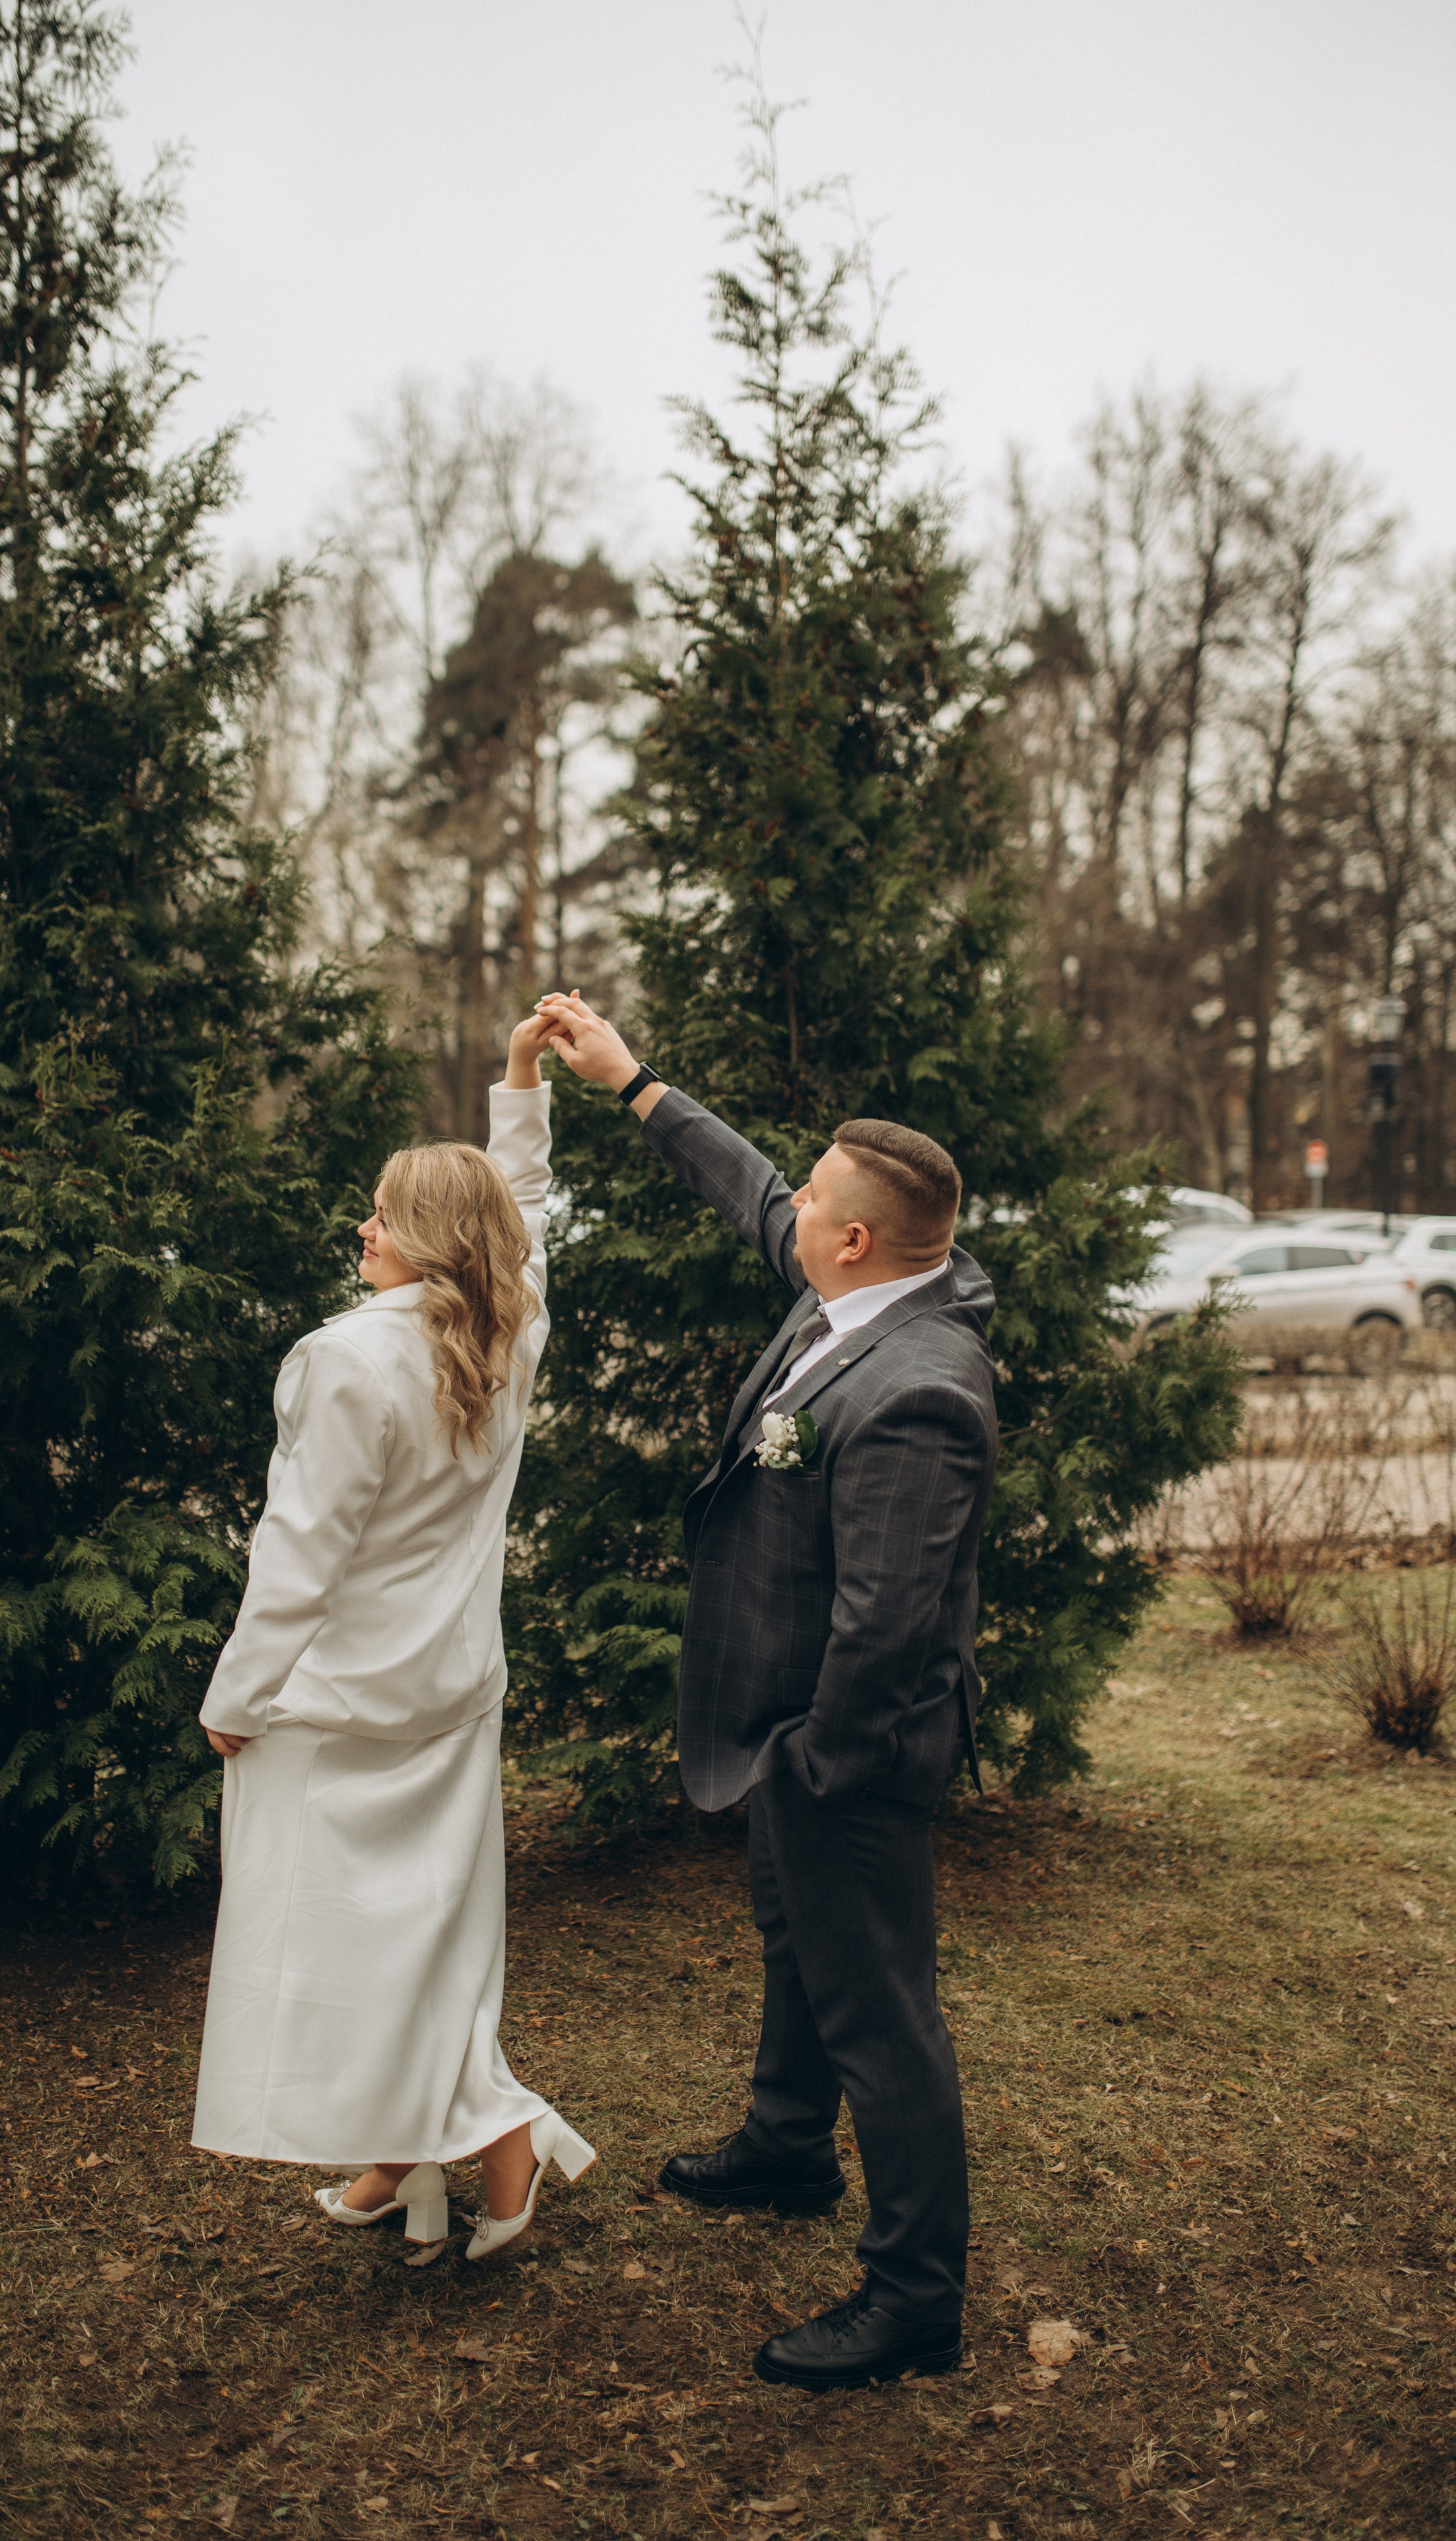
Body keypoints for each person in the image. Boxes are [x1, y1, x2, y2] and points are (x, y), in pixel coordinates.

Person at [537, 991, 997, 2392]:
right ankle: (788, 2144)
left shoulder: (917, 1385)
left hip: (840, 1755)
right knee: (792, 1939)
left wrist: (815, 1759)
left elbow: (890, 1623)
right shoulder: (847, 1290)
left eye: (812, 1197)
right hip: (782, 1735)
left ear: (852, 1238)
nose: (785, 1203)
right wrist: (631, 1085)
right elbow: (749, 1190)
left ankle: (912, 2295)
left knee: (881, 2012)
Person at [190, 1016, 594, 2260]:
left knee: (339, 1944)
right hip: (452, 1693)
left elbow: (297, 1557)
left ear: (427, 1239)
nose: (362, 1232)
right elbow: (520, 1205)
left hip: (336, 1710)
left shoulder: (344, 1359)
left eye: (381, 1216)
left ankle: (496, 2136)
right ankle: (401, 2157)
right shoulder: (507, 1331)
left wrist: (236, 1696)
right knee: (427, 1934)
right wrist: (519, 1084)